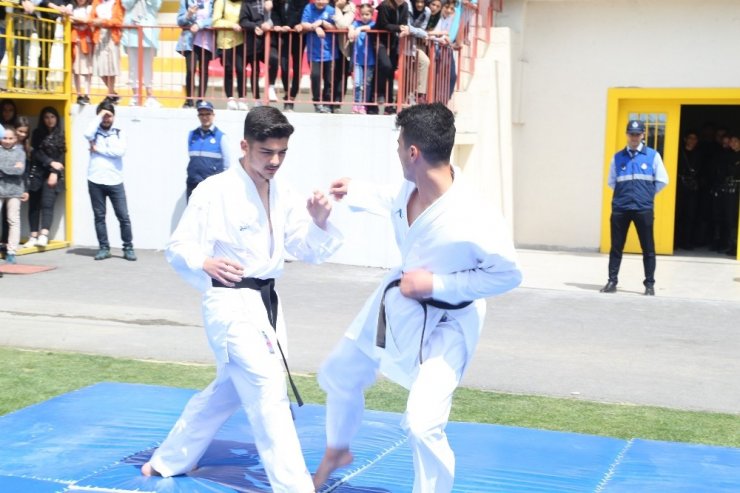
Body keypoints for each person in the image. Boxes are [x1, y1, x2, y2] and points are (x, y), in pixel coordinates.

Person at [312, 103, 522, 492]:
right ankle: (337, 450)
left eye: (399, 145)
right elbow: (389, 199)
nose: (396, 152)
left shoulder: (475, 215)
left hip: (450, 322)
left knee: (423, 424)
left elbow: (508, 274)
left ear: (413, 152)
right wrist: (354, 190)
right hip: (398, 300)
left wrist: (436, 285)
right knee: (338, 373)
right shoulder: (410, 189)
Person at [140, 106, 343, 493]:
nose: (275, 161)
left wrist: (318, 220)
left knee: (229, 390)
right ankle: (295, 487)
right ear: (244, 146)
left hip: (266, 302)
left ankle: (169, 459)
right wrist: (204, 261)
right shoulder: (214, 191)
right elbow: (179, 245)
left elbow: (305, 248)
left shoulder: (283, 191)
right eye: (267, 152)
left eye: (282, 152)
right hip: (230, 303)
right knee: (267, 390)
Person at [601, 120, 669, 296]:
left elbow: (662, 180)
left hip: (643, 208)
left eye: (637, 134)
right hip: (621, 208)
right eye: (631, 134)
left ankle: (649, 284)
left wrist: (646, 194)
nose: (634, 137)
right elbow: (611, 182)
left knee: (648, 248)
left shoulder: (653, 156)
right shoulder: (617, 157)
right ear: (627, 135)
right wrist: (625, 195)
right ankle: (612, 281)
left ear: (643, 135)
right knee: (616, 247)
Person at [83, 100, 136, 261]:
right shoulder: (94, 131)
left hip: (115, 180)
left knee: (123, 216)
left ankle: (128, 247)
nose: (106, 119)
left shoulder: (119, 132)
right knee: (99, 217)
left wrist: (98, 149)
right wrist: (99, 115)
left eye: (109, 115)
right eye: (103, 116)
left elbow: (119, 152)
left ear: (114, 117)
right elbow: (86, 134)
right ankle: (104, 248)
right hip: (95, 179)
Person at [25, 106, 66, 249]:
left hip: (52, 174)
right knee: (34, 205)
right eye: (46, 117)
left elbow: (62, 156)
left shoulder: (60, 135)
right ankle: (33, 236)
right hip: (37, 172)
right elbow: (36, 153)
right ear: (42, 119)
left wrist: (54, 172)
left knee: (48, 203)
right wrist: (50, 162)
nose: (50, 120)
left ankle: (44, 234)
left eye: (52, 117)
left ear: (57, 118)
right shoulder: (37, 133)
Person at [185, 100, 231, 201]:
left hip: (212, 186)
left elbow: (227, 165)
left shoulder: (221, 137)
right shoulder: (192, 135)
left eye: (207, 114)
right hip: (193, 183)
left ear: (213, 115)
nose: (204, 117)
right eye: (201, 114)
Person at [301, 0, 341, 113]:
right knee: (315, 76)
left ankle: (327, 102)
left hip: (330, 51)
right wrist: (315, 27)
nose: (320, 2)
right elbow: (304, 23)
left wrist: (323, 23)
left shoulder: (331, 10)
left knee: (329, 79)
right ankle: (317, 102)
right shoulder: (309, 8)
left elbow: (336, 28)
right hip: (314, 52)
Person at [121, 0, 163, 107]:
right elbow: (125, 4)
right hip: (132, 30)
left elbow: (157, 5)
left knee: (148, 66)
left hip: (148, 31)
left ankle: (149, 96)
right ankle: (135, 95)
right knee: (133, 67)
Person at [176, 0, 215, 108]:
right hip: (190, 41)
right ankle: (189, 100)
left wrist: (200, 24)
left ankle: (200, 100)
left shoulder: (213, 2)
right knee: (190, 70)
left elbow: (215, 19)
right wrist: (188, 15)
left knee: (204, 71)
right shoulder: (186, 1)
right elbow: (179, 21)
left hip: (206, 41)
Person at [212, 0, 249, 111]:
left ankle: (242, 99)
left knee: (241, 70)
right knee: (228, 69)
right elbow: (215, 22)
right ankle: (230, 99)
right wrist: (232, 25)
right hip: (225, 42)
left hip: (240, 40)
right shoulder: (221, 2)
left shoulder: (243, 2)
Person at [373, 0, 409, 115]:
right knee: (386, 65)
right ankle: (379, 94)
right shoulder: (385, 5)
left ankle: (389, 104)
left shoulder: (405, 6)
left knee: (391, 72)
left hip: (393, 42)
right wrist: (399, 28)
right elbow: (384, 24)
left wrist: (403, 28)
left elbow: (404, 22)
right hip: (380, 41)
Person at [0, 127, 27, 265]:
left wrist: (2, 168)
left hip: (15, 191)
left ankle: (11, 252)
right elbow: (14, 170)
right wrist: (12, 167)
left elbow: (19, 171)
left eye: (10, 138)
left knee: (13, 220)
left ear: (15, 139)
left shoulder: (20, 152)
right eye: (4, 138)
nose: (7, 141)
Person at [90, 0, 124, 102]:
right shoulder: (96, 2)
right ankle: (112, 93)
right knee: (99, 66)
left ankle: (110, 95)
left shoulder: (117, 2)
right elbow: (91, 18)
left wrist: (104, 22)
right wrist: (94, 22)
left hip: (111, 35)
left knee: (111, 66)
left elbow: (119, 20)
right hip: (99, 35)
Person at [675, 130, 700, 251]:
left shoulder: (700, 154)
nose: (692, 141)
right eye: (690, 138)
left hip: (693, 189)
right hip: (679, 188)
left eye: (695, 138)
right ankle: (675, 241)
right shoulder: (678, 152)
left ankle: (687, 241)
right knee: (677, 214)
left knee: (690, 216)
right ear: (685, 139)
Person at [348, 3, 375, 114]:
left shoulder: (373, 23)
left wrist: (359, 29)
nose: (364, 16)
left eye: (367, 14)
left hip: (370, 60)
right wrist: (351, 29)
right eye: (362, 14)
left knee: (367, 84)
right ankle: (356, 104)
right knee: (357, 84)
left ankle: (364, 105)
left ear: (371, 15)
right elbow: (351, 26)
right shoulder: (356, 23)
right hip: (358, 60)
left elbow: (370, 27)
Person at [66, 0, 94, 104]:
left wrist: (74, 18)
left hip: (86, 40)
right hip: (75, 40)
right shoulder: (71, 6)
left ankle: (87, 94)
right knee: (76, 69)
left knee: (88, 69)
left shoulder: (89, 8)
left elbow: (88, 20)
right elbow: (65, 17)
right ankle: (79, 94)